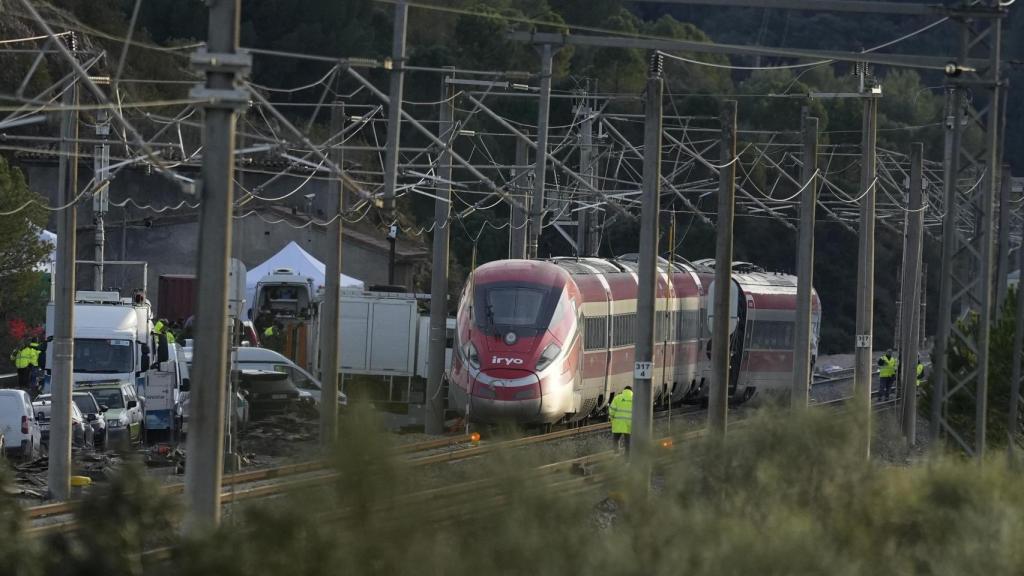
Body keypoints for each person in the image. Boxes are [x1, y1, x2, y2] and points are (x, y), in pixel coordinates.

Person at [608, 386, 633, 455]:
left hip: (618, 423)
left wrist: (612, 419)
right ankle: (627, 458)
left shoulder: (617, 397)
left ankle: (616, 454)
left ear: (624, 390)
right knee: (628, 442)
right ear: (631, 391)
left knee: (616, 439)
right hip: (629, 424)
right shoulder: (635, 398)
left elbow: (611, 410)